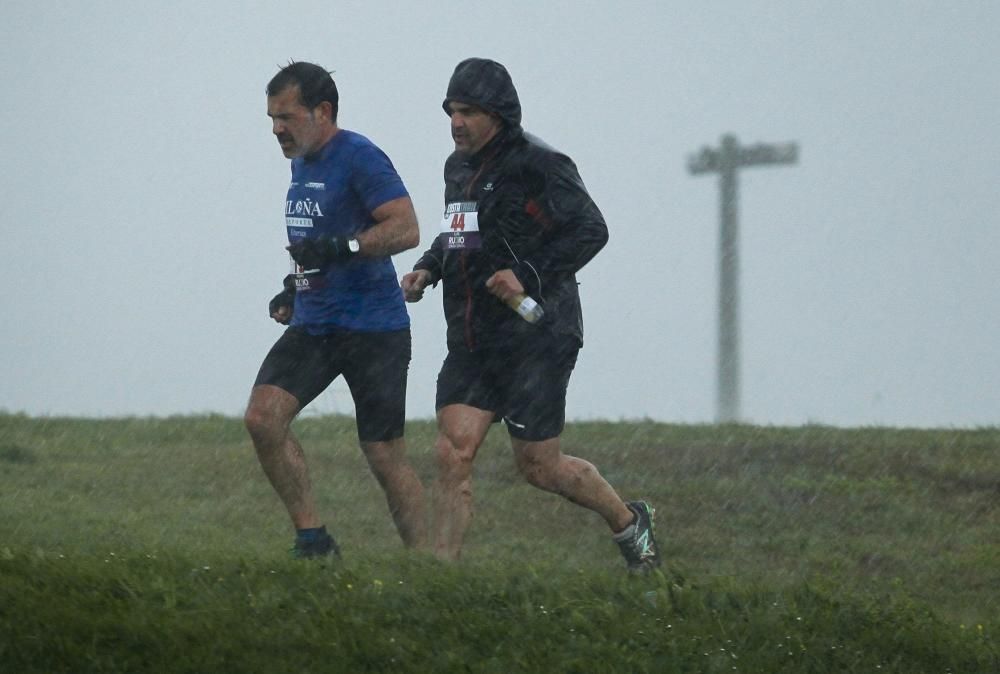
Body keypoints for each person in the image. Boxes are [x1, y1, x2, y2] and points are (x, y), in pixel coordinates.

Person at [400, 58, 661, 573]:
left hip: (536, 337)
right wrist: (429, 267)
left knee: (540, 467)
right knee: (453, 452)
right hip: (473, 338)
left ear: (497, 114)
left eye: (468, 111)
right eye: (451, 111)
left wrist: (527, 274)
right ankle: (440, 575)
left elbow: (591, 230)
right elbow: (460, 234)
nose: (456, 122)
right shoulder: (458, 167)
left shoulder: (540, 163)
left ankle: (630, 522)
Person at [245, 61, 426, 558]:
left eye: (286, 117)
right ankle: (313, 540)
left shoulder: (361, 156)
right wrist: (293, 288)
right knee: (263, 419)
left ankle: (433, 564)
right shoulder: (301, 162)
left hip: (375, 329)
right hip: (315, 324)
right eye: (271, 119)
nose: (277, 129)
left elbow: (406, 228)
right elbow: (313, 245)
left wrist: (344, 248)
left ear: (322, 111)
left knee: (384, 454)